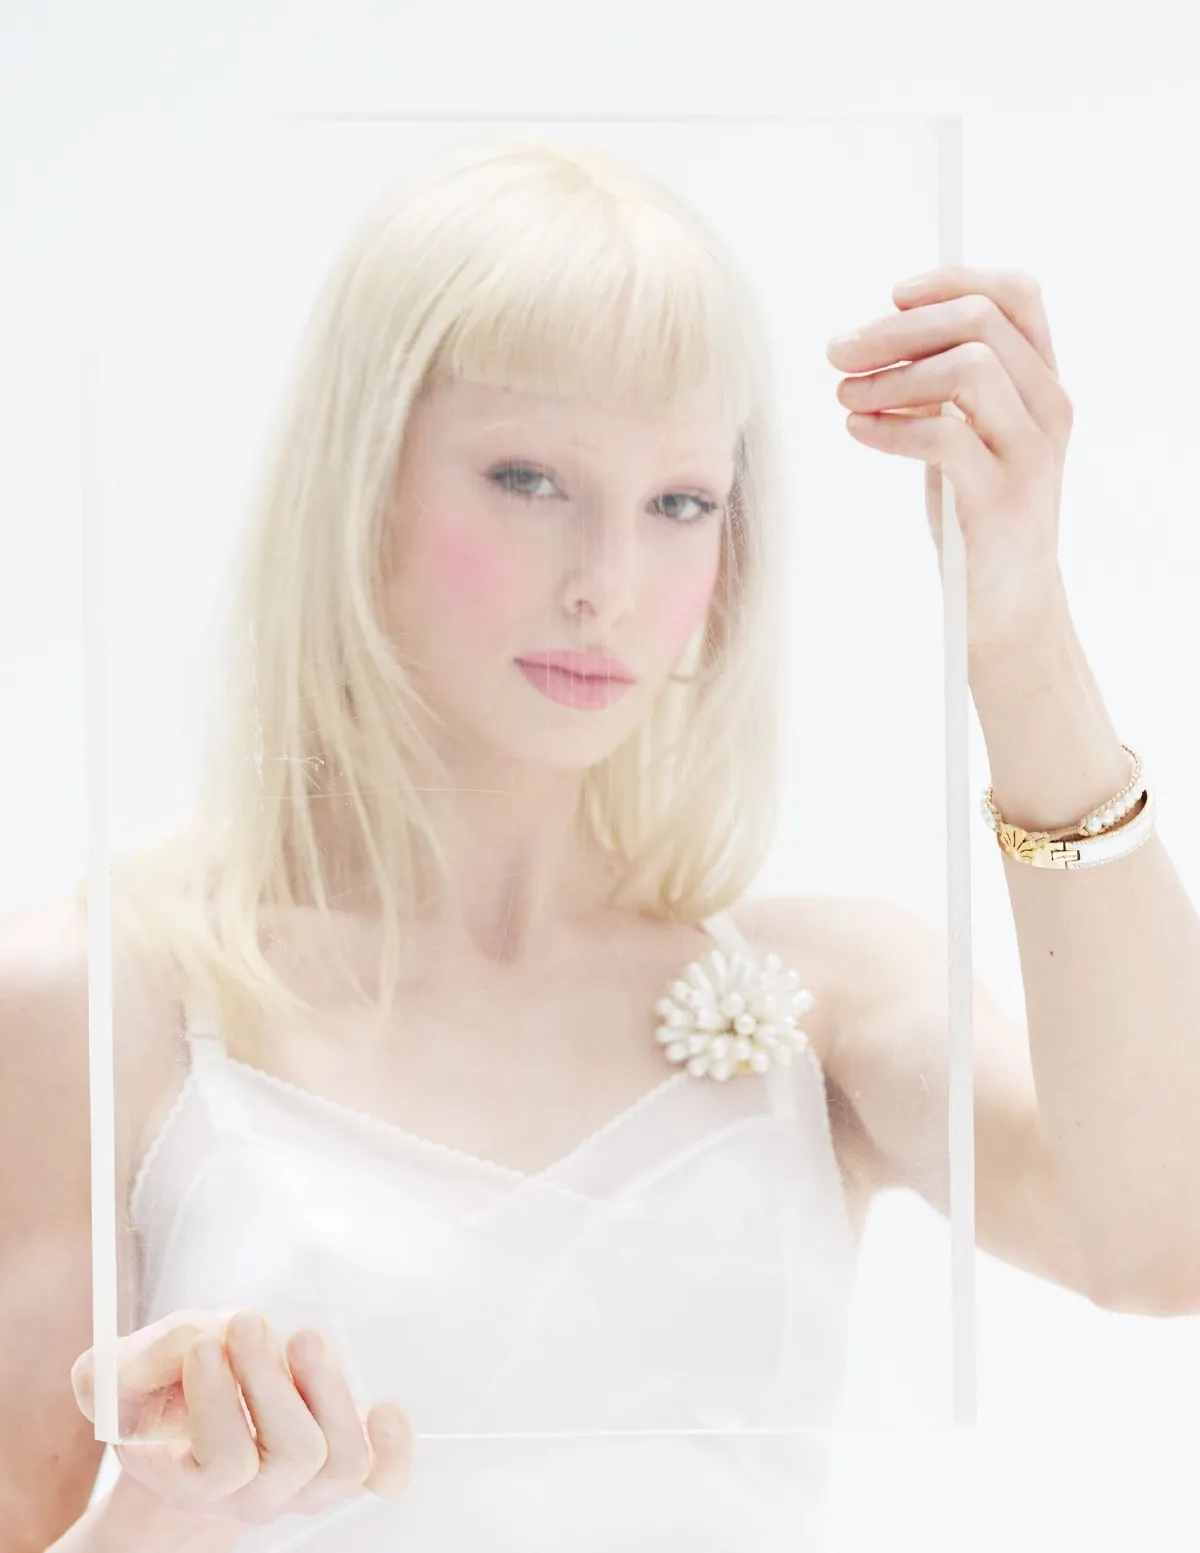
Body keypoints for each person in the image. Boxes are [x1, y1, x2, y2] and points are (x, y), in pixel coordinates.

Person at [4, 132, 1199, 1552]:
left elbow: (1163, 1242)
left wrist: (1015, 616)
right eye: (527, 479)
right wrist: (167, 1511)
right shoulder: (101, 1002)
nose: (607, 583)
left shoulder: (830, 1000)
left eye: (679, 503)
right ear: (362, 479)